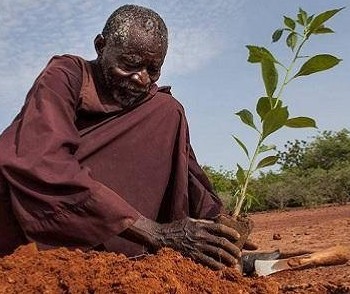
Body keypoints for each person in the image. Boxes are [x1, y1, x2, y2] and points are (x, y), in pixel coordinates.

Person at [0, 4, 246, 270]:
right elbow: (40, 159)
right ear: (100, 46)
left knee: (167, 110)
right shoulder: (65, 76)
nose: (141, 79)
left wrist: (219, 227)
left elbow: (188, 172)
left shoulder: (154, 106)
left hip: (111, 234)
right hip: (29, 221)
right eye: (129, 64)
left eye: (153, 69)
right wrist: (155, 233)